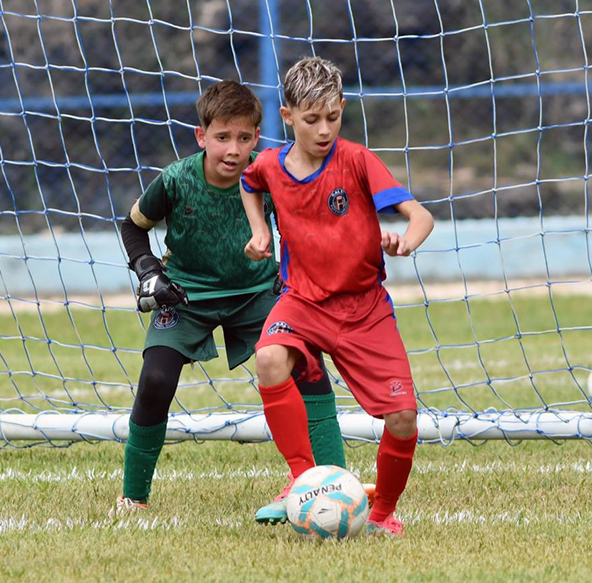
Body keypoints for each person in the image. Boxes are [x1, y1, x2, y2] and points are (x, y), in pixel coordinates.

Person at [116, 80, 349, 523]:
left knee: (309, 367)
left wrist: (296, 277)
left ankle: (328, 484)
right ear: (202, 136)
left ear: (257, 138)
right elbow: (132, 227)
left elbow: (305, 227)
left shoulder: (271, 174)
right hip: (185, 296)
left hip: (258, 295)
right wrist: (150, 273)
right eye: (222, 137)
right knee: (156, 379)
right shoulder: (176, 179)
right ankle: (133, 498)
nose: (233, 149)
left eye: (244, 138)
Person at [240, 57, 434, 536]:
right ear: (287, 117)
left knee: (405, 417)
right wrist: (260, 229)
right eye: (311, 120)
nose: (324, 129)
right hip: (302, 301)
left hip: (363, 307)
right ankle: (301, 480)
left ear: (343, 109)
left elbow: (421, 216)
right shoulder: (270, 164)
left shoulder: (357, 160)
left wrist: (405, 239)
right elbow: (250, 181)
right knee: (268, 360)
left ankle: (383, 512)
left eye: (333, 116)